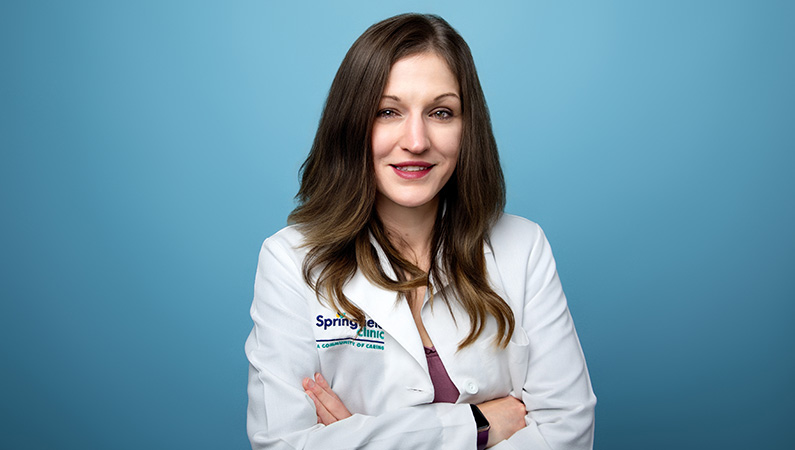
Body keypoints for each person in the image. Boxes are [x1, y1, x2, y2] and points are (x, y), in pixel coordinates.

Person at [245, 13, 596, 450]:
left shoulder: (523, 247)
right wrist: (478, 426)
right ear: (352, 124)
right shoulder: (291, 261)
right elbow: (283, 444)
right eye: (388, 112)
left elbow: (569, 432)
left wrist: (362, 436)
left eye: (441, 112)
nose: (416, 140)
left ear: (468, 128)